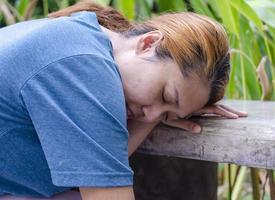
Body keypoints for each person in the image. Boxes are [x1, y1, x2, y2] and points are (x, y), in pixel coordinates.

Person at [0, 1, 247, 199]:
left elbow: (89, 174)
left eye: (168, 115)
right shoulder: (84, 68)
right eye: (166, 95)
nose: (152, 115)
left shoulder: (81, 35)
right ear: (149, 43)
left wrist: (158, 115)